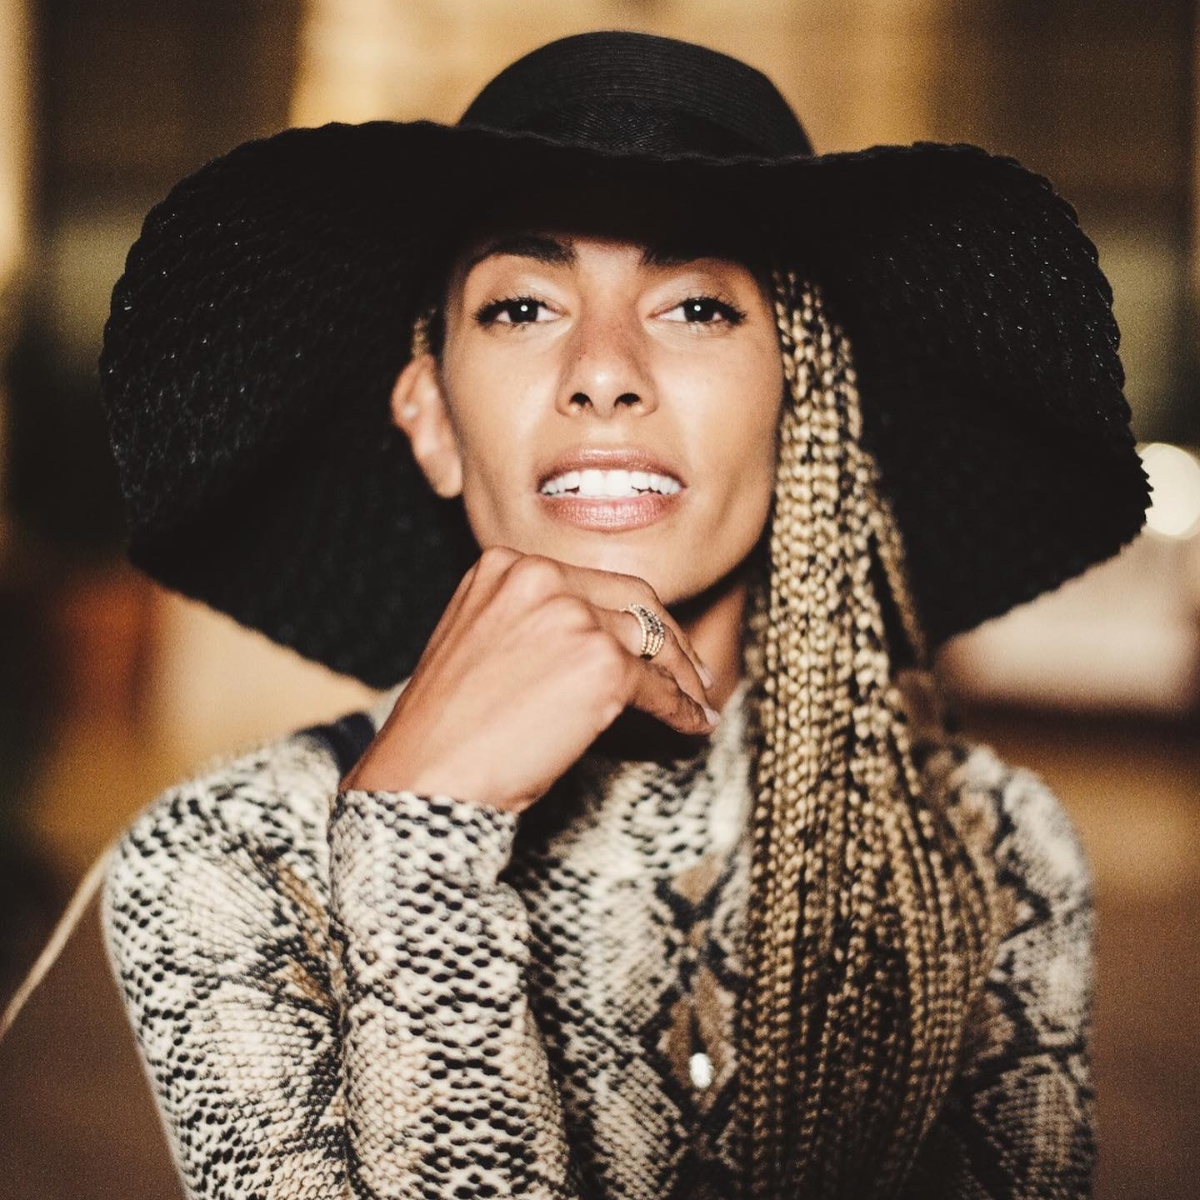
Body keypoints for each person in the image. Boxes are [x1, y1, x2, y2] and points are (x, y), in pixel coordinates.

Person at [6, 30, 1149, 1200]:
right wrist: (417, 845)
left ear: (801, 399)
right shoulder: (224, 860)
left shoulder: (991, 849)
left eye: (696, 306)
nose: (605, 370)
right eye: (520, 307)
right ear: (432, 419)